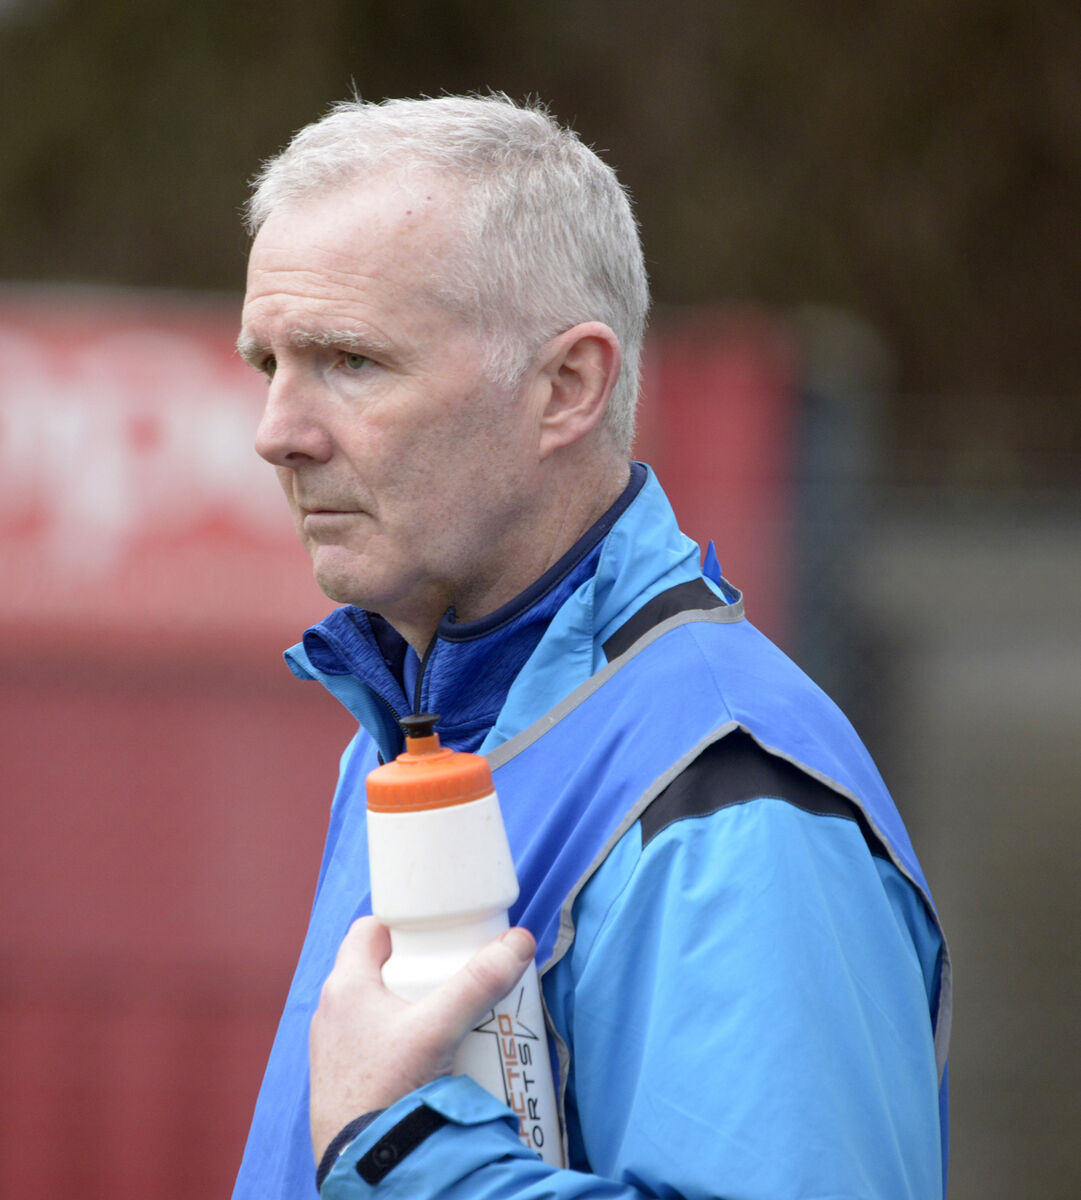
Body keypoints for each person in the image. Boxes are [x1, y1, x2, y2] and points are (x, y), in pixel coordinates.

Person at [233, 93, 950, 1200]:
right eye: (265, 362)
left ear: (567, 385)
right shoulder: (404, 732)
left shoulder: (728, 792)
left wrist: (404, 1150)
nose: (278, 430)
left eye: (349, 361)